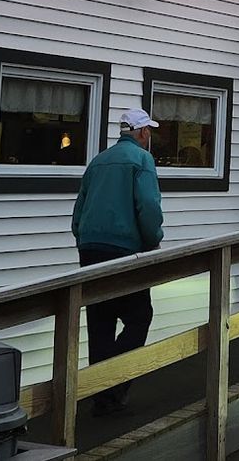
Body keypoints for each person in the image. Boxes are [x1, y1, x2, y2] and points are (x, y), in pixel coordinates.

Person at [72, 107, 164, 416]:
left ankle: (101, 395)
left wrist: (84, 238)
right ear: (141, 133)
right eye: (148, 130)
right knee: (139, 316)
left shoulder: (98, 161)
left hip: (90, 248)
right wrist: (152, 240)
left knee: (100, 322)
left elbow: (78, 210)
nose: (149, 135)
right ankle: (115, 383)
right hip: (124, 249)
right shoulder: (141, 160)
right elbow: (148, 205)